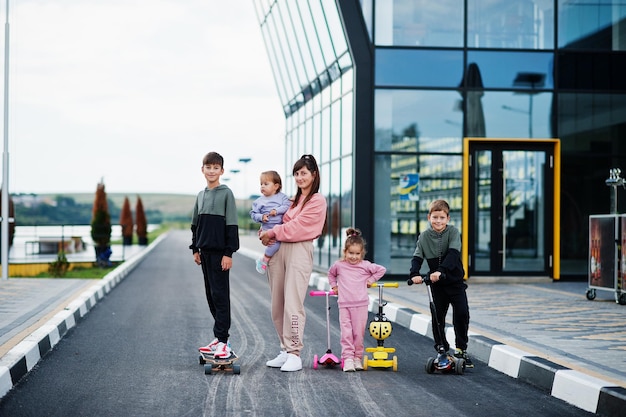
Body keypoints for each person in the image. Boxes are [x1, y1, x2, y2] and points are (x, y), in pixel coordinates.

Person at [260, 154, 327, 372]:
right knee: (277, 305)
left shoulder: (317, 200)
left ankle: (295, 353)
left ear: (314, 174)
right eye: (296, 174)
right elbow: (273, 219)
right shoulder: (290, 201)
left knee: (292, 304)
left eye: (304, 173)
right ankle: (284, 349)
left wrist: (273, 231)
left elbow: (299, 227)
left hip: (299, 250)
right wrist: (265, 231)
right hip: (279, 251)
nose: (300, 177)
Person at [408, 199, 473, 367]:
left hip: (455, 283)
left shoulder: (453, 232)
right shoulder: (424, 237)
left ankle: (461, 349)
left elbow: (453, 254)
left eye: (442, 218)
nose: (438, 221)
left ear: (448, 219)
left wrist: (441, 271)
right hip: (436, 286)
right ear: (429, 217)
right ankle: (442, 348)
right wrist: (414, 273)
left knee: (462, 314)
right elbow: (417, 256)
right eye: (435, 217)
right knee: (437, 318)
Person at [190, 151, 240, 359]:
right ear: (202, 170)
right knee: (211, 295)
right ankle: (220, 339)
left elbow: (232, 225)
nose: (211, 171)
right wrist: (195, 248)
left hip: (220, 254)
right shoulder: (201, 195)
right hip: (204, 253)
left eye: (215, 168)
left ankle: (223, 342)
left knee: (220, 296)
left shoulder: (226, 194)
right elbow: (195, 224)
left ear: (222, 170)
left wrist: (228, 253)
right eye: (208, 167)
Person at [328, 228, 386, 372]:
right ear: (345, 252)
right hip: (344, 305)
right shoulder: (339, 265)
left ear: (362, 253)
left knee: (358, 334)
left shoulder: (365, 265)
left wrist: (371, 280)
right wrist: (334, 286)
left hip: (360, 305)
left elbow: (381, 270)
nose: (353, 257)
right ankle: (347, 358)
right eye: (350, 253)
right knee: (346, 333)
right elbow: (330, 274)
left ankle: (357, 358)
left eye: (357, 254)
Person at [250, 171, 291, 275]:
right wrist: (261, 217)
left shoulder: (282, 197)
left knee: (279, 245)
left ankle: (264, 260)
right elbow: (253, 214)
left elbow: (287, 206)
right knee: (274, 245)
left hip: (279, 229)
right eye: (261, 184)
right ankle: (264, 260)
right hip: (267, 229)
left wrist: (277, 211)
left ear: (276, 186)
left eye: (266, 184)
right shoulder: (258, 201)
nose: (262, 186)